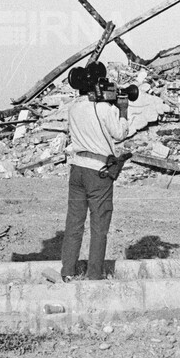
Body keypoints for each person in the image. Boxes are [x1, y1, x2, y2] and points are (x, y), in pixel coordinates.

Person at [60, 71, 129, 282]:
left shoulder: (73, 107)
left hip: (77, 167)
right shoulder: (103, 109)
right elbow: (120, 134)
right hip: (98, 170)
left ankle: (68, 271)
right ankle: (94, 273)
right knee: (99, 225)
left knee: (74, 222)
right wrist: (123, 110)